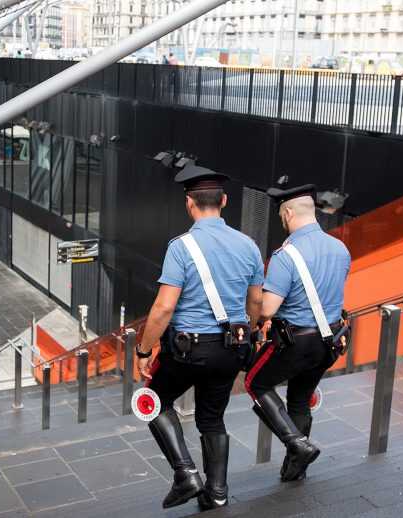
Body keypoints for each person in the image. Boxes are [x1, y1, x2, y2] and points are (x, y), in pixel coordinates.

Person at [135, 164, 264, 510]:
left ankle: (186, 473)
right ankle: (217, 493)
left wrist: (144, 350)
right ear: (224, 201)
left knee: (153, 400)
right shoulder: (249, 245)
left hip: (188, 350)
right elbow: (255, 302)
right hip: (233, 348)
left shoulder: (181, 247)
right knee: (212, 418)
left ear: (189, 203)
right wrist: (249, 334)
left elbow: (164, 307)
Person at [244, 184, 351, 483]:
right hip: (330, 341)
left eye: (282, 216)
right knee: (300, 399)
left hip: (296, 342)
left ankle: (297, 444)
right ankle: (295, 469)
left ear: (288, 213)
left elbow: (268, 309)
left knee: (255, 382)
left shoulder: (286, 255)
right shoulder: (340, 248)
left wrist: (253, 306)